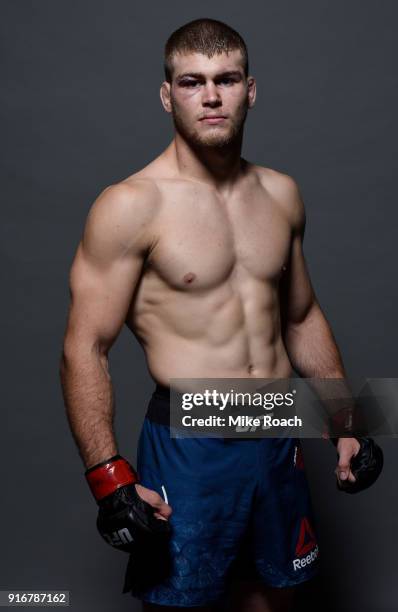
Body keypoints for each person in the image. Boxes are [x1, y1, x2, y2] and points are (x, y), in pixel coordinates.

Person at [60, 18, 363, 611]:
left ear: (250, 89)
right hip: (190, 440)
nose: (211, 96)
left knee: (270, 598)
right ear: (167, 94)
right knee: (183, 602)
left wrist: (346, 419)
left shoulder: (280, 194)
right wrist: (107, 476)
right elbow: (84, 346)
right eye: (192, 82)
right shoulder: (131, 205)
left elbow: (301, 317)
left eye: (225, 80)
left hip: (276, 428)